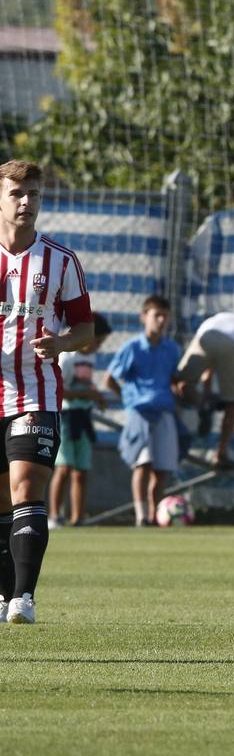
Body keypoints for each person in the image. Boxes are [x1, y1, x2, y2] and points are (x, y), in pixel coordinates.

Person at [0, 159, 95, 624]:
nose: (26, 203)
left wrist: (61, 342)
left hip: (35, 392)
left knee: (26, 487)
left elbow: (85, 329)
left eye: (33, 194)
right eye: (17, 193)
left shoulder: (61, 260)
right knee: (2, 500)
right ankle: (2, 596)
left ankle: (23, 598)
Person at [107, 294, 183, 529]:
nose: (160, 320)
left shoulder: (172, 349)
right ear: (144, 317)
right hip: (140, 413)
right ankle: (141, 515)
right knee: (143, 464)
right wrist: (128, 400)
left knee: (162, 468)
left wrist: (180, 388)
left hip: (164, 412)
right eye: (156, 315)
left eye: (165, 316)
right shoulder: (132, 347)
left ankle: (156, 514)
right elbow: (110, 379)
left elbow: (175, 378)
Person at [177, 307, 234, 468]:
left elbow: (209, 366)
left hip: (204, 333)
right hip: (230, 346)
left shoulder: (221, 319)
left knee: (181, 382)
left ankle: (201, 406)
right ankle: (220, 453)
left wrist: (206, 393)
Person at [49, 311, 113, 528]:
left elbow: (85, 386)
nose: (99, 347)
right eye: (98, 341)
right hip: (66, 419)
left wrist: (95, 395)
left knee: (81, 470)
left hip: (83, 419)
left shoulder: (89, 358)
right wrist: (87, 395)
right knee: (64, 468)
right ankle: (55, 516)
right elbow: (60, 391)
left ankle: (78, 518)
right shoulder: (68, 357)